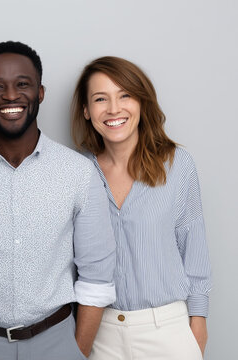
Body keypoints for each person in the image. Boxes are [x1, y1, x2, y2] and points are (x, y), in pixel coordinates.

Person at [0, 41, 116, 360]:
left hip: (57, 343)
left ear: (40, 92)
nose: (11, 95)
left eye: (22, 84)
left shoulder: (79, 172)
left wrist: (75, 353)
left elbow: (97, 277)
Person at [71, 56, 212, 360]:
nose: (113, 109)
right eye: (100, 99)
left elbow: (194, 244)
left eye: (125, 95)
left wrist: (198, 320)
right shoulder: (75, 173)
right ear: (86, 110)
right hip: (100, 332)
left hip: (168, 330)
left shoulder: (177, 164)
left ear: (142, 102)